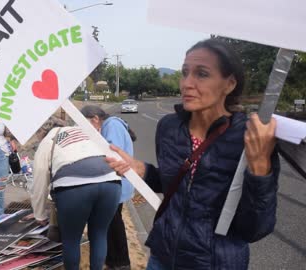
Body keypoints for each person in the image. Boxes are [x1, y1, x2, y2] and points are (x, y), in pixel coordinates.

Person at [106, 38, 280, 270]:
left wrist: (259, 167)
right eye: (184, 72)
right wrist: (140, 169)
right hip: (163, 256)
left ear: (229, 84)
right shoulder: (169, 128)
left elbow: (255, 228)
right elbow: (176, 186)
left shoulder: (250, 137)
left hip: (215, 262)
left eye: (202, 74)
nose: (187, 83)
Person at [31, 125, 122, 270]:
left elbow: (40, 177)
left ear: (42, 132)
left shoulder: (49, 139)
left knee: (71, 239)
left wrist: (39, 213)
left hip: (73, 186)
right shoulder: (84, 130)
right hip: (111, 182)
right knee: (99, 234)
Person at [81, 105, 135, 270]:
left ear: (96, 119)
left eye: (86, 125)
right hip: (117, 182)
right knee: (111, 223)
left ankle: (120, 262)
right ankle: (114, 260)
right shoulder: (111, 125)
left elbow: (111, 153)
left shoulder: (111, 125)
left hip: (118, 183)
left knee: (113, 225)